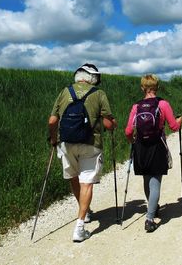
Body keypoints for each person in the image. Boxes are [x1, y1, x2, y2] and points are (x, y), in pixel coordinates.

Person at [48, 63, 118, 242]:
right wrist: (113, 124)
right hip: (90, 143)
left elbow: (52, 120)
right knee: (86, 182)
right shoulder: (99, 94)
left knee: (74, 178)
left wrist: (53, 139)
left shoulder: (65, 92)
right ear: (93, 78)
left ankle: (84, 213)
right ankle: (80, 226)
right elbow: (109, 124)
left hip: (66, 143)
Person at [125, 74, 182, 233]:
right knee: (155, 182)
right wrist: (180, 120)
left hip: (140, 147)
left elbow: (128, 130)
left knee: (146, 178)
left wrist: (132, 142)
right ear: (157, 87)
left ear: (142, 88)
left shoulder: (136, 106)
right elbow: (173, 127)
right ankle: (150, 219)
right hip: (157, 146)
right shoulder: (163, 104)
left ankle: (153, 207)